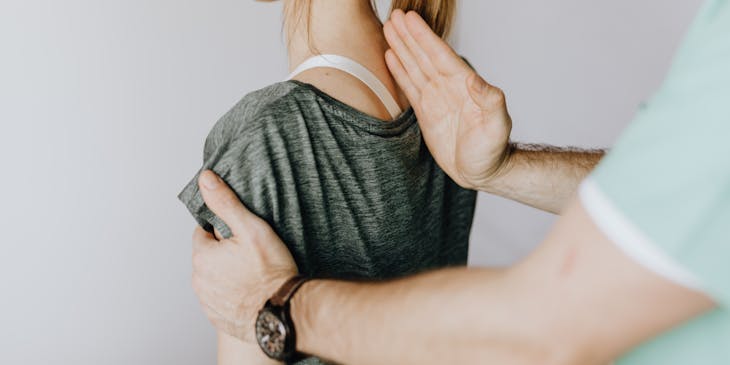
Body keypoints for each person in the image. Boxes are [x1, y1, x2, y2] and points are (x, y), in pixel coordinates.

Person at [190, 2, 729, 365]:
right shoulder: (440, 103)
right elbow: (680, 195)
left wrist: (274, 304)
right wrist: (501, 167)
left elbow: (545, 326)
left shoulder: (270, 134)